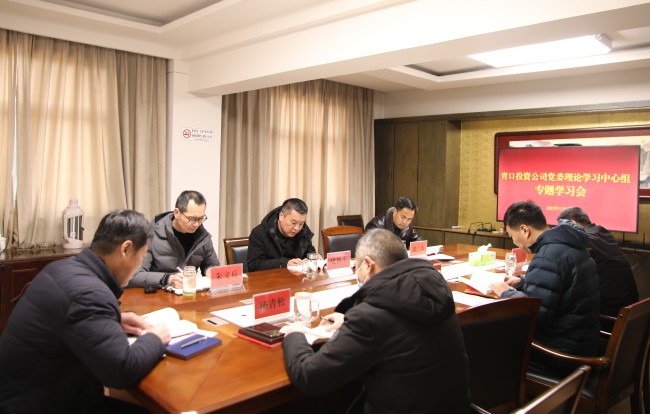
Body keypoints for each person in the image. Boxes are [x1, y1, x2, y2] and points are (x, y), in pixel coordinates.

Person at [0, 210, 170, 414]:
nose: (138, 266)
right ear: (125, 249)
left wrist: (114, 319)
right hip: (37, 405)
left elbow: (71, 320)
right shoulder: (89, 293)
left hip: (32, 394)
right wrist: (155, 338)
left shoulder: (63, 268)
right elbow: (121, 371)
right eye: (141, 257)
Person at [282, 229, 470, 413]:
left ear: (367, 265)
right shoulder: (434, 291)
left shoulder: (369, 318)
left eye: (357, 267)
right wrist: (348, 319)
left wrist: (295, 334)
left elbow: (310, 378)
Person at [490, 201, 600, 376]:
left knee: (488, 343)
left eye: (512, 235)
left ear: (524, 230)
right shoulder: (570, 245)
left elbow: (536, 314)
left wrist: (506, 293)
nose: (515, 242)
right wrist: (524, 282)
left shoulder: (548, 255)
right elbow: (560, 288)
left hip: (560, 354)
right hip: (582, 342)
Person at [128, 190, 220, 288]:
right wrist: (167, 279)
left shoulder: (202, 237)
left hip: (189, 293)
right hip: (158, 293)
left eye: (201, 219)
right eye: (192, 219)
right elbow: (134, 275)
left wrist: (209, 270)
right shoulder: (151, 234)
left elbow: (211, 264)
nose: (197, 224)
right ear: (177, 213)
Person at [557, 206, 639, 316]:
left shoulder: (585, 241)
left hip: (607, 314)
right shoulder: (603, 234)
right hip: (627, 308)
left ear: (573, 222)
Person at [247, 198, 317, 272]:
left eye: (301, 224)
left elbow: (309, 251)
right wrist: (284, 263)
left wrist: (314, 257)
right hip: (270, 278)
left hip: (297, 277)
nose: (297, 228)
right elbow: (254, 265)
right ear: (281, 216)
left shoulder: (303, 230)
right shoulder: (259, 233)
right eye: (293, 223)